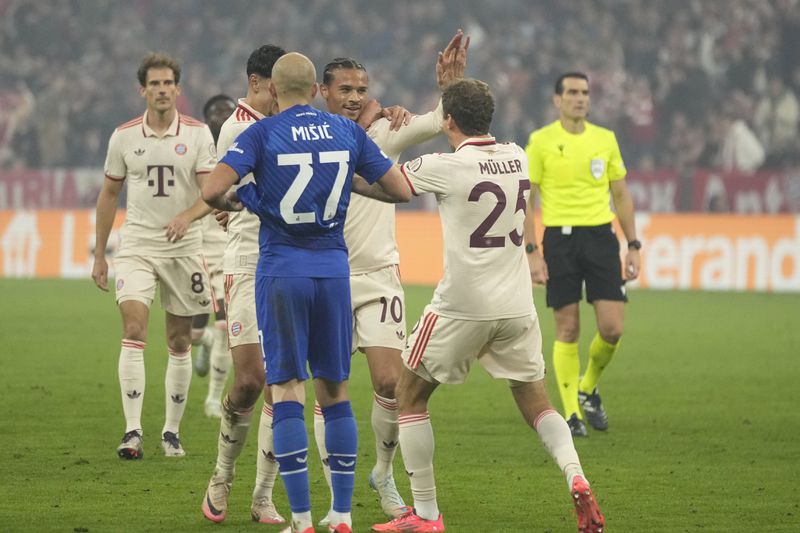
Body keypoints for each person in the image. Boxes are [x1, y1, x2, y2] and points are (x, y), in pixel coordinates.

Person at [372, 78, 604, 533]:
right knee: (538, 403)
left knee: (409, 396)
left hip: (461, 305)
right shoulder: (517, 156)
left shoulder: (444, 165)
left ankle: (426, 515)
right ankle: (576, 475)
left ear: (449, 121)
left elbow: (388, 186)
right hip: (517, 306)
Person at [202, 52, 411, 533]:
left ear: (272, 92)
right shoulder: (348, 132)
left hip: (282, 269)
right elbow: (399, 190)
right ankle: (340, 514)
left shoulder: (260, 132)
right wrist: (345, 188)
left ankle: (299, 518)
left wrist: (246, 199)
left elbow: (213, 190)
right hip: (334, 270)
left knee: (287, 388)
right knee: (336, 390)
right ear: (317, 90)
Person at [312, 29, 469, 526]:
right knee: (330, 386)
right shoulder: (303, 133)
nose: (356, 97)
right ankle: (338, 490)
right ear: (323, 91)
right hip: (324, 275)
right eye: (346, 89)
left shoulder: (385, 133)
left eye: (362, 89)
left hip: (378, 276)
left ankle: (383, 475)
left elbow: (434, 121)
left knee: (388, 381)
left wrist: (450, 86)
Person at [92, 52, 217, 459]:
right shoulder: (124, 136)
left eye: (168, 84)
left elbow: (210, 194)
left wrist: (187, 215)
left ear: (178, 89)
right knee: (134, 329)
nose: (162, 90)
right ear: (143, 90)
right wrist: (100, 255)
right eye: (155, 84)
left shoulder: (198, 134)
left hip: (184, 249)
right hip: (139, 247)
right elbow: (109, 194)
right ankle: (132, 432)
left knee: (180, 340)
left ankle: (171, 432)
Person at [523, 72, 640, 437]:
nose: (580, 98)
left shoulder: (605, 139)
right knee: (568, 328)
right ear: (557, 99)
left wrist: (633, 244)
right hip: (560, 240)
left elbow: (620, 194)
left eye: (585, 93)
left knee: (612, 328)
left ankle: (588, 386)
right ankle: (572, 412)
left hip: (601, 238)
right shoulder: (540, 141)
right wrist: (532, 251)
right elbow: (528, 199)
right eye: (572, 92)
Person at [200, 44, 287, 526]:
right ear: (258, 83)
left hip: (287, 261)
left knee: (281, 382)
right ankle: (222, 476)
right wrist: (232, 206)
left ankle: (262, 496)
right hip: (250, 260)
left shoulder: (280, 121)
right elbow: (221, 192)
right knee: (251, 380)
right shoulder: (240, 124)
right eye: (280, 85)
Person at [191, 93, 237, 419]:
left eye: (228, 111)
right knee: (191, 334)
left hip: (228, 247)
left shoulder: (243, 146)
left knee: (225, 326)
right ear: (206, 119)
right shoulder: (195, 149)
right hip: (197, 247)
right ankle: (202, 341)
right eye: (216, 112)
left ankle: (213, 400)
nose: (223, 116)